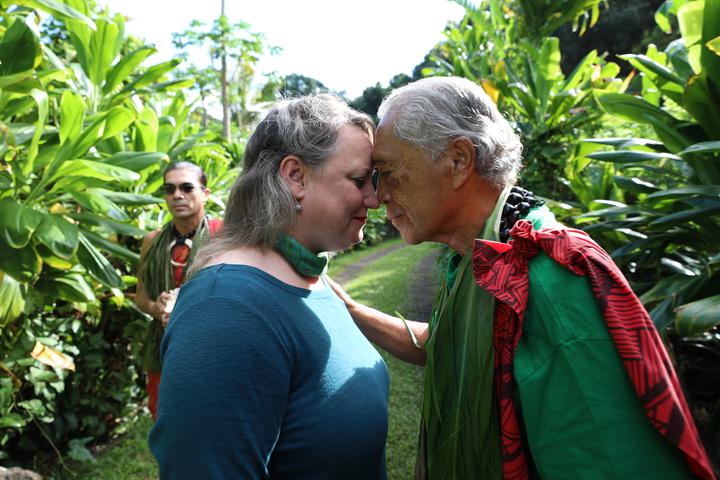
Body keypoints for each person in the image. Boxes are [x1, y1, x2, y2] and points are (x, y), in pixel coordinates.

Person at [329, 76, 715, 480]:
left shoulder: (551, 280)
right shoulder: (478, 258)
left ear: (458, 160)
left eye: (388, 172)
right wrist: (350, 310)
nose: (377, 195)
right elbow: (447, 342)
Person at [148, 94, 389, 479]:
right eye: (359, 180)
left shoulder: (307, 274)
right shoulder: (227, 307)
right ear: (295, 176)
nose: (375, 200)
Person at [134, 161, 222, 420]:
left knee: (212, 421)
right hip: (165, 348)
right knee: (167, 422)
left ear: (204, 193)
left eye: (186, 187)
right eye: (169, 189)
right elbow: (141, 296)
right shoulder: (152, 241)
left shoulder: (224, 235)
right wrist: (157, 309)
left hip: (213, 347)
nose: (177, 195)